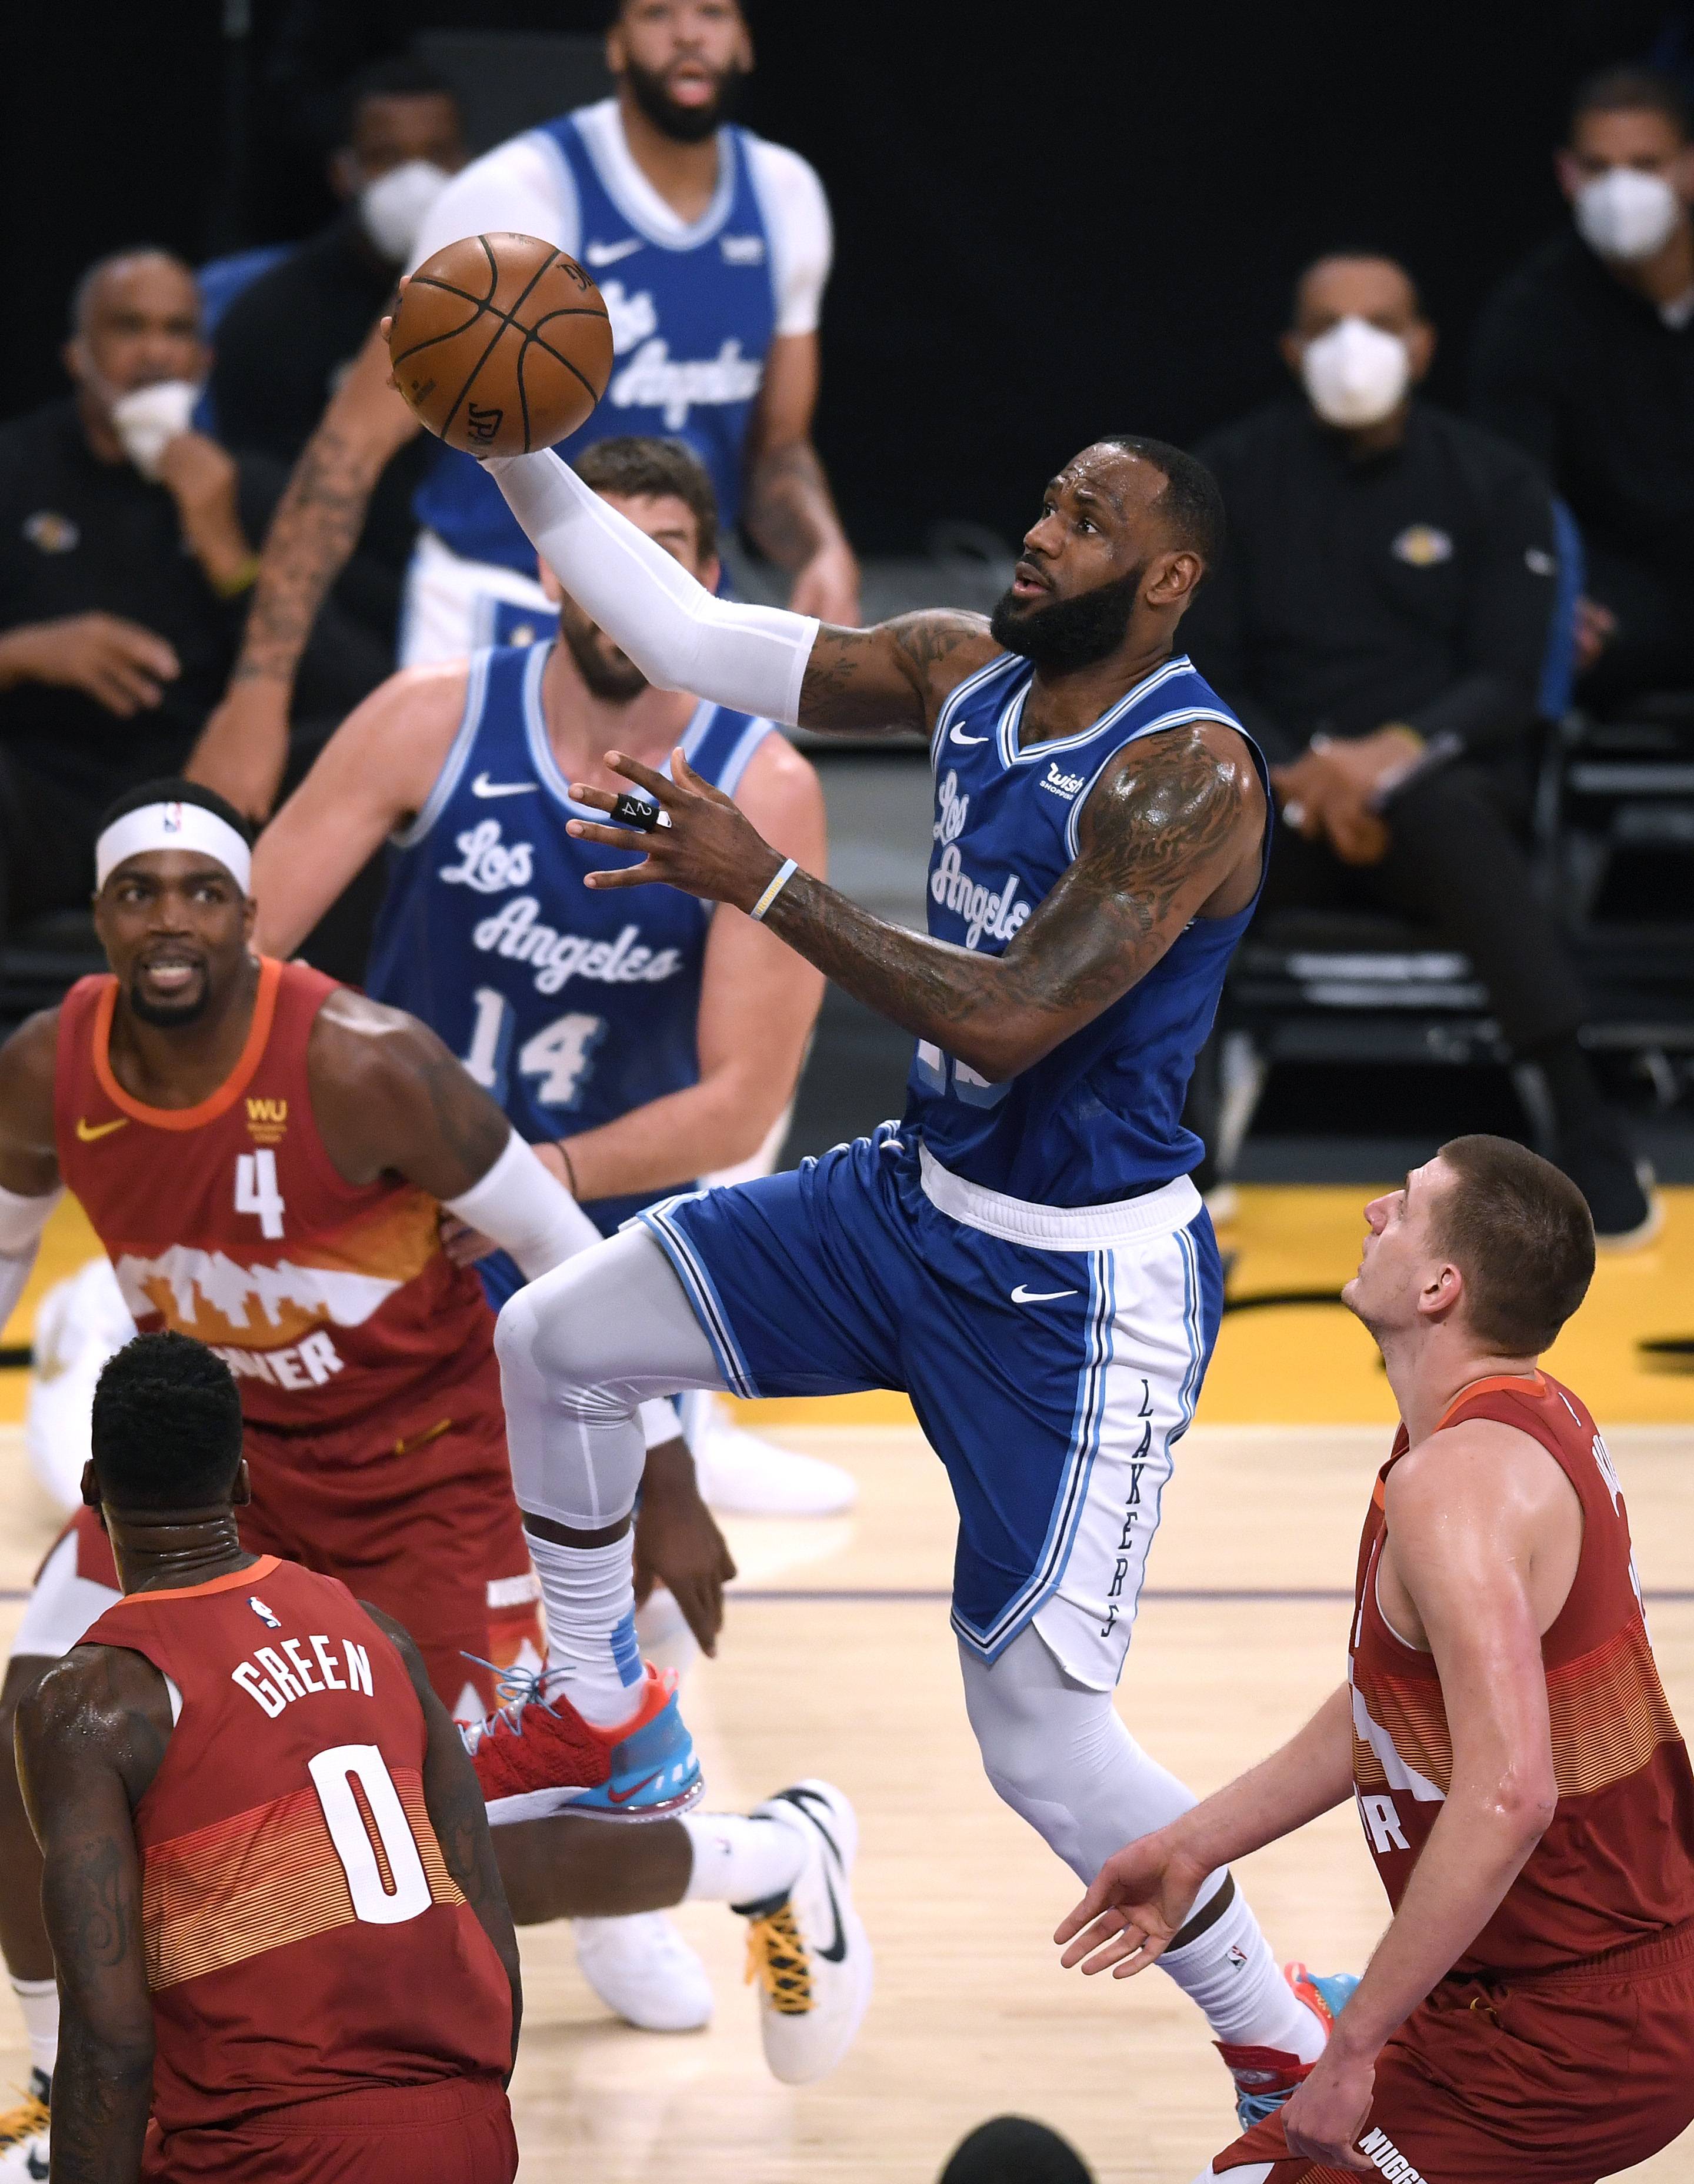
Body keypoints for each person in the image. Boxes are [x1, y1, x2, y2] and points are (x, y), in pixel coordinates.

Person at [459, 428, 1354, 2123]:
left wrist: (772, 883)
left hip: (1076, 1296)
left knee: (1042, 1748)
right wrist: (522, 455)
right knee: (560, 1337)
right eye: (1046, 498)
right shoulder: (962, 671)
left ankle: (1283, 2047)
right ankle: (597, 1705)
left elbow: (1015, 1021)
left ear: (1168, 578)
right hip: (911, 1206)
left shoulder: (1190, 776)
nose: (1040, 532)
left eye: (1086, 521)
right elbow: (696, 637)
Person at [0, 774, 720, 2157]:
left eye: (200, 892)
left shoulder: (366, 1061)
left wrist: (670, 1474)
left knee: (464, 1837)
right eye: (138, 891)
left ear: (249, 916)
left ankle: (763, 1860)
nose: (169, 921)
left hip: (422, 1472)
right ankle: (54, 2077)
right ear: (96, 915)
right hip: (209, 1477)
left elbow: (572, 1251)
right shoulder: (48, 1065)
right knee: (32, 1720)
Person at [1058, 1134, 1694, 2183]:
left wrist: (1351, 2049)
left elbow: (1511, 1795)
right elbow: (1391, 1708)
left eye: (1402, 1208)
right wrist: (1193, 1844)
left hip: (1572, 2031)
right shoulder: (1518, 1422)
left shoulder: (1459, 1483)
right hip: (1532, 1990)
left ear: (1442, 1286)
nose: (1367, 1214)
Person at [251, 431, 853, 1519]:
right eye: (601, 555)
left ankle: (682, 1423)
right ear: (548, 569)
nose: (627, 590)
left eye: (661, 557)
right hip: (403, 1207)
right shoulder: (428, 717)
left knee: (622, 1589)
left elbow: (740, 1107)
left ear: (707, 585)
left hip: (605, 1229)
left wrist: (533, 1182)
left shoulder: (761, 782)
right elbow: (242, 957)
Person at [192, 0, 858, 820]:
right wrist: (256, 698)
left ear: (746, 39)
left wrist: (821, 545)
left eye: (712, 12)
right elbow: (347, 450)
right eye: (658, 13)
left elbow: (778, 452)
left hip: (676, 622)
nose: (689, 33)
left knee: (666, 917)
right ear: (614, 44)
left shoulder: (787, 197)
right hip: (499, 603)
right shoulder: (517, 194)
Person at [1184, 251, 1656, 1247]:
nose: (1355, 347)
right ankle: (1183, 1134)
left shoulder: (1495, 482)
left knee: (1450, 813)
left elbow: (1509, 678)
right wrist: (1306, 774)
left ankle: (1582, 1120)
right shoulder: (1224, 480)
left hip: (1439, 796)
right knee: (1200, 827)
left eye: (1382, 322)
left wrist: (1385, 758)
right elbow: (1202, 664)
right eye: (1327, 325)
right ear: (1291, 348)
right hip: (1282, 801)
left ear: (1425, 344)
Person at [17, 1329, 523, 2183]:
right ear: (243, 1480)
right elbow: (488, 1924)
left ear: (92, 1486)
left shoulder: (93, 1704)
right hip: (470, 2127)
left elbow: (110, 2037)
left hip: (268, 2152)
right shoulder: (382, 1638)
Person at [0, 249, 386, 953]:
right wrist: (27, 655)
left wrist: (224, 551)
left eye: (176, 332)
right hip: (41, 792)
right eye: (128, 328)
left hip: (201, 796)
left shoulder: (256, 490)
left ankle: (303, 1036)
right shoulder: (15, 470)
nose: (154, 353)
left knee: (336, 755)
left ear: (203, 360)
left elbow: (352, 686)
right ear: (76, 355)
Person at [209, 58, 470, 652]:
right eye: (387, 158)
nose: (416, 180)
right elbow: (261, 504)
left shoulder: (514, 299)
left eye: (436, 155)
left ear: (468, 166)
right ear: (343, 173)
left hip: (482, 587)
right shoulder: (269, 319)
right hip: (341, 619)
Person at [1472, 66, 1694, 708]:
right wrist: (1561, 596)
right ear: (1568, 176)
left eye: (1646, 163)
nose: (1622, 188)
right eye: (1599, 167)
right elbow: (1515, 492)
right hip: (1621, 594)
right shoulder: (1530, 314)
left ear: (1688, 168)